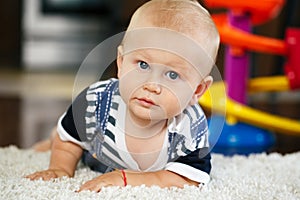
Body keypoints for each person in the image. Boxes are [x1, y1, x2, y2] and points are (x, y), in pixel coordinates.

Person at [26, 0, 220, 192]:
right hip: (95, 151)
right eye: (143, 64)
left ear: (197, 91)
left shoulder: (190, 127)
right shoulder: (97, 102)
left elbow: (189, 179)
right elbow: (69, 138)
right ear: (121, 62)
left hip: (121, 164)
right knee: (66, 139)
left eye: (172, 75)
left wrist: (125, 179)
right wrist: (60, 167)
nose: (152, 85)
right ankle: (50, 139)